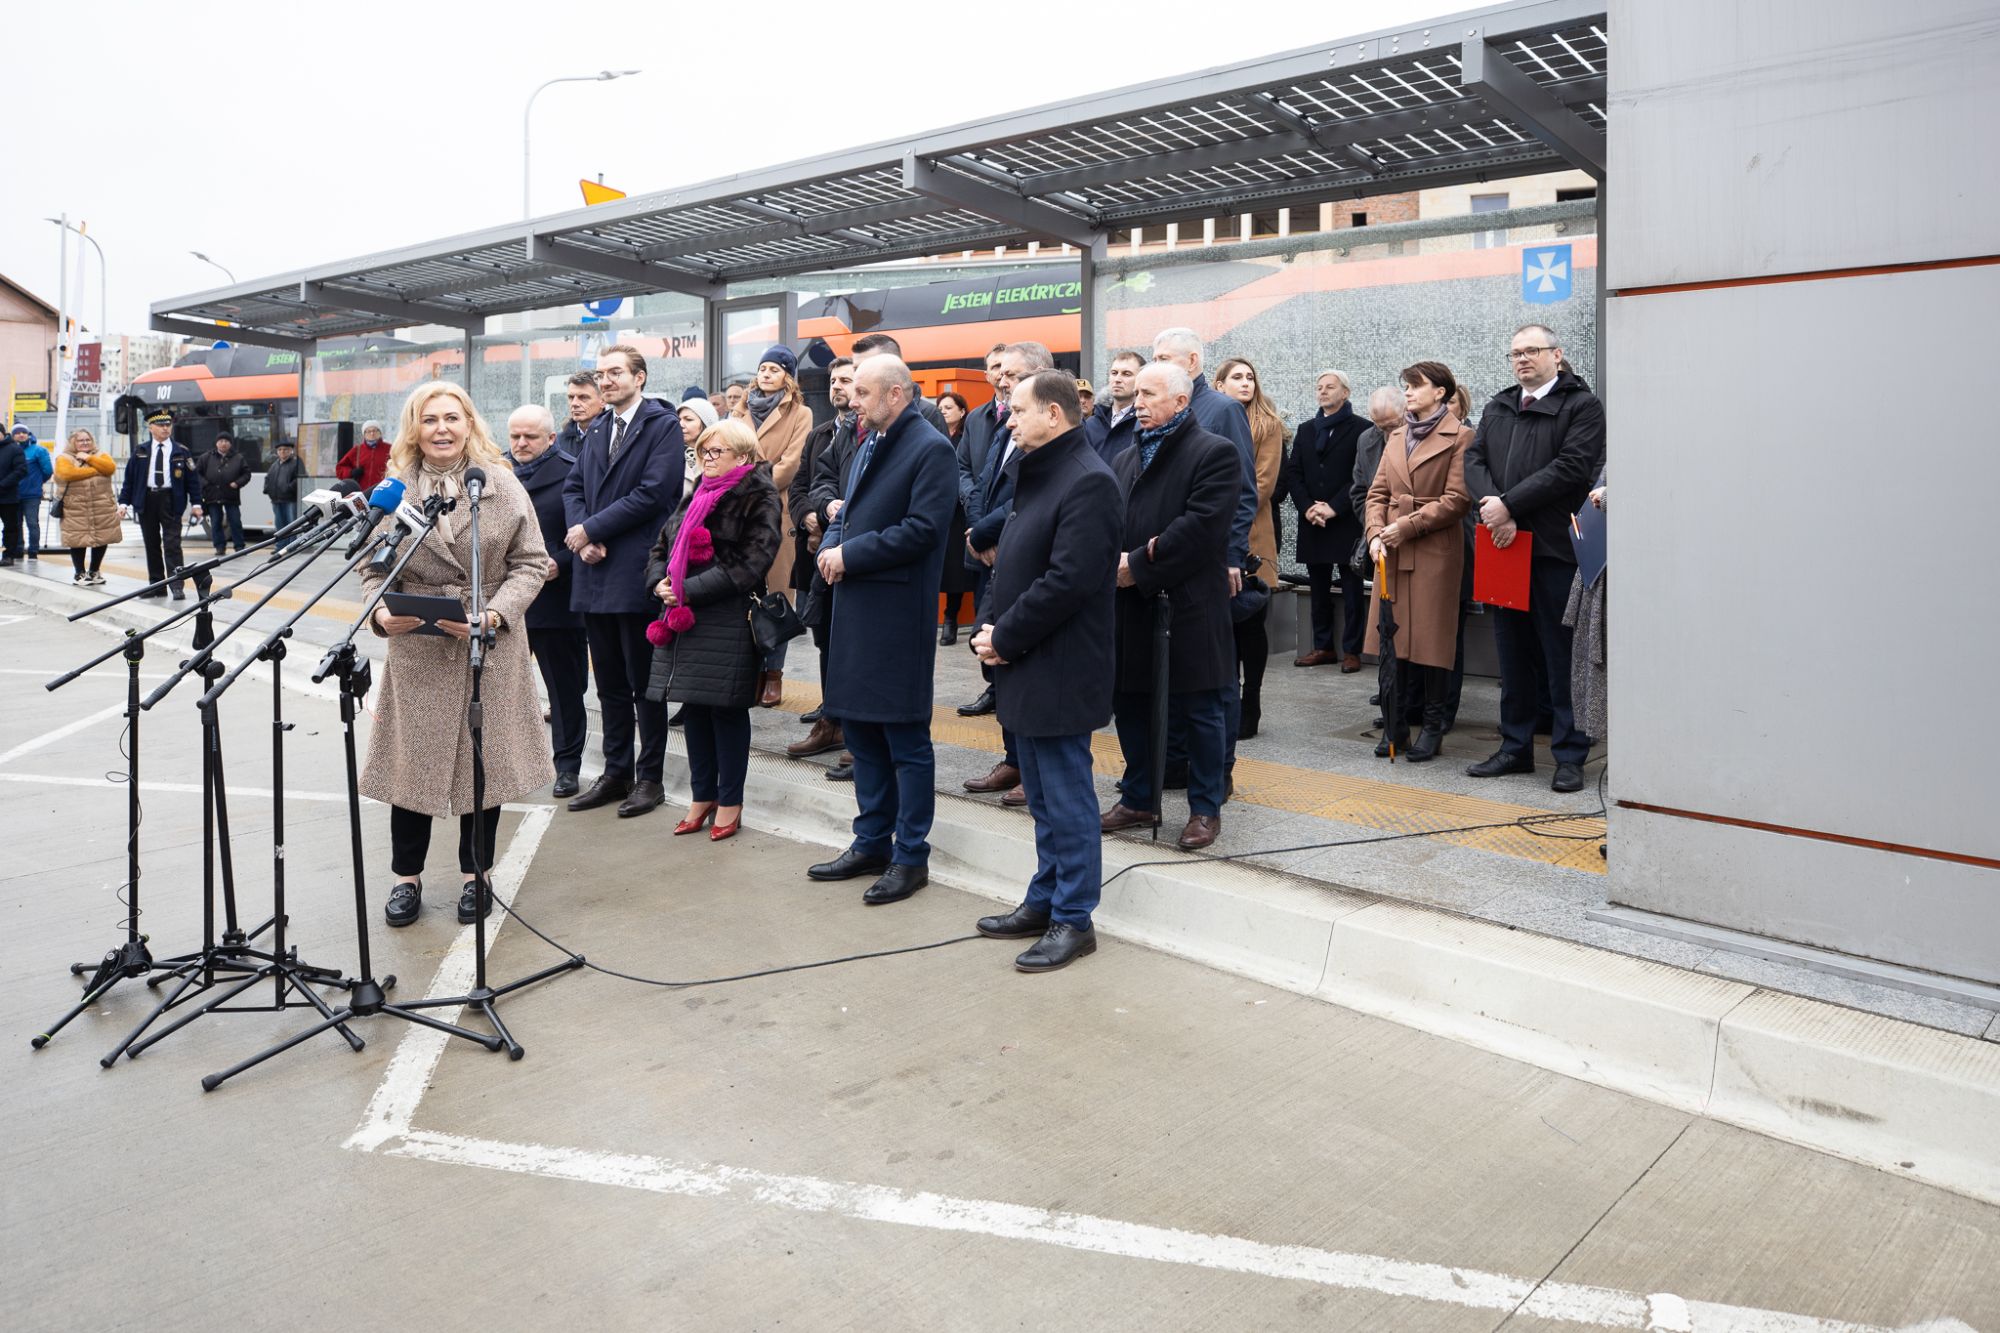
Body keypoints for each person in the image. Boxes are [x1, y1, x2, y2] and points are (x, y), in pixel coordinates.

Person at [361, 382, 554, 928]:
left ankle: (477, 875)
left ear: (470, 424)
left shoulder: (501, 484)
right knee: (411, 769)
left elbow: (531, 563)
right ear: (414, 428)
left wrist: (493, 614)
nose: (441, 429)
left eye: (452, 417)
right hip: (417, 647)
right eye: (430, 419)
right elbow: (372, 567)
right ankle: (406, 878)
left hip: (487, 647)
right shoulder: (394, 489)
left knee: (481, 767)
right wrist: (379, 615)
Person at [971, 369, 1121, 972]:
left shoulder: (1088, 481)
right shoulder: (1042, 472)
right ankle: (1045, 898)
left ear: (1053, 415)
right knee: (1041, 797)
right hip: (1027, 657)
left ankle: (1074, 917)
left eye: (1018, 409)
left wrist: (1005, 635)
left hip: (1058, 663)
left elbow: (1069, 581)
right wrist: (989, 627)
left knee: (1066, 797)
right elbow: (1010, 563)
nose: (1008, 418)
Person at [806, 355, 955, 905]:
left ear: (896, 394)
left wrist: (851, 554)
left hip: (895, 612)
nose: (853, 400)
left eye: (864, 392)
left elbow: (922, 530)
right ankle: (871, 841)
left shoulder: (930, 448)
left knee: (904, 738)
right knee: (863, 733)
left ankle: (910, 856)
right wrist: (830, 547)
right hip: (856, 605)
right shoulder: (867, 440)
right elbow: (846, 512)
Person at [1099, 363, 1238, 850]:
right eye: (1136, 393)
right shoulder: (1123, 456)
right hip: (1130, 605)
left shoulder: (1214, 453)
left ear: (1181, 402)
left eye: (1150, 394)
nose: (1138, 401)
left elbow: (1200, 527)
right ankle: (1139, 797)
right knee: (1131, 701)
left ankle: (1205, 808)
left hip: (1189, 604)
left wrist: (1136, 563)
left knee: (1199, 708)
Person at [1462, 324, 1605, 793]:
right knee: (1513, 654)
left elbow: (1571, 469)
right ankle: (1515, 747)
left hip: (1553, 550)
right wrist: (1492, 507)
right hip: (1503, 546)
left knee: (1560, 654)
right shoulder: (1498, 406)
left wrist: (1509, 506)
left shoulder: (1580, 406)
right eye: (1515, 353)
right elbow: (1474, 463)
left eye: (1532, 351)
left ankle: (1569, 754)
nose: (1522, 359)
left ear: (1557, 355)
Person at [561, 343, 686, 818]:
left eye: (615, 372)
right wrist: (581, 536)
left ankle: (649, 776)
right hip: (594, 572)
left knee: (644, 682)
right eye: (601, 373)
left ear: (640, 377)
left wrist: (592, 529)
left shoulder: (662, 426)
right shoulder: (596, 430)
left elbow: (655, 494)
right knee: (609, 683)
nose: (606, 380)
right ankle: (616, 772)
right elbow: (575, 488)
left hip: (635, 568)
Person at [643, 419, 782, 841]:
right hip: (684, 615)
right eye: (703, 451)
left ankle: (730, 801)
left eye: (715, 451)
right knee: (695, 711)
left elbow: (752, 563)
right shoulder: (697, 492)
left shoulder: (760, 494)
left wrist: (686, 590)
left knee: (725, 710)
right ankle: (701, 797)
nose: (706, 457)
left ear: (742, 455)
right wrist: (659, 583)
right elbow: (660, 546)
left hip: (726, 615)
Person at [1364, 361, 1473, 763]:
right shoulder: (1396, 437)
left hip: (1432, 550)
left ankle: (1432, 726)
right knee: (1393, 637)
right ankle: (1395, 725)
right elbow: (1375, 493)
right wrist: (1375, 533)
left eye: (1416, 386)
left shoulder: (1461, 437)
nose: (1408, 393)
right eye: (1405, 386)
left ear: (1440, 392)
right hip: (1390, 551)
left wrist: (1405, 527)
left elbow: (1457, 500)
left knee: (1433, 641)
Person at [961, 340, 1055, 801]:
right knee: (993, 654)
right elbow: (982, 483)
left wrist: (988, 533)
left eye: (1012, 374)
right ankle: (1014, 758)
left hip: (1016, 553)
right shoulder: (1003, 425)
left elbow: (1024, 494)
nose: (1001, 380)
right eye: (999, 373)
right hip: (991, 551)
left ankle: (1026, 765)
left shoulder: (1047, 437)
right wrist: (979, 530)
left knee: (1018, 656)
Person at [507, 404, 590, 800]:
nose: (521, 444)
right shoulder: (495, 472)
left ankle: (568, 767)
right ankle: (506, 763)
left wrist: (559, 562)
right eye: (515, 436)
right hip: (505, 600)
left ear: (551, 438)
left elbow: (589, 529)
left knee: (564, 690)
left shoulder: (574, 470)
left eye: (531, 437)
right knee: (501, 687)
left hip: (557, 600)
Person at [791, 357, 860, 770]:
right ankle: (830, 720)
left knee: (851, 644)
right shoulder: (820, 435)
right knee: (823, 639)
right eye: (833, 380)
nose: (838, 386)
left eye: (847, 380)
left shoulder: (870, 435)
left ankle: (853, 728)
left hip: (852, 552)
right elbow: (802, 487)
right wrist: (812, 512)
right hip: (818, 550)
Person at [1212, 356, 1285, 740]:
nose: (1245, 383)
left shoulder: (1267, 424)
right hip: (1210, 536)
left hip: (1251, 533)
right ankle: (1225, 697)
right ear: (1218, 383)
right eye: (1236, 377)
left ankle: (1250, 700)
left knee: (1250, 621)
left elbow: (1261, 484)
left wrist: (1211, 511)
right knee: (1221, 626)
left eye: (1250, 377)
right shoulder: (1208, 418)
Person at [737, 344, 812, 707]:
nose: (766, 373)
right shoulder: (739, 409)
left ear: (788, 376)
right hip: (736, 514)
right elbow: (722, 454)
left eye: (775, 369)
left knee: (776, 596)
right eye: (763, 367)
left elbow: (791, 463)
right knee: (740, 593)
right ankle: (747, 673)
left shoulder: (801, 413)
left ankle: (774, 674)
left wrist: (749, 484)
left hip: (774, 512)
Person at [1287, 370, 1370, 671]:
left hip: (1344, 520)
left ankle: (1352, 650)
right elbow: (1294, 472)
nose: (1322, 391)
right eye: (1319, 387)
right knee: (1318, 587)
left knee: (1351, 590)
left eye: (1330, 387)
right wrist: (1308, 507)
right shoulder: (1306, 429)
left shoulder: (1362, 429)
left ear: (1345, 392)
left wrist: (1334, 507)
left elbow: (1361, 475)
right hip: (1313, 522)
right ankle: (1322, 647)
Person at [117, 411, 199, 599]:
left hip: (171, 500)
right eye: (161, 425)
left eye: (168, 424)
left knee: (172, 545)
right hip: (147, 500)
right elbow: (130, 480)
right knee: (151, 544)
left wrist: (196, 503)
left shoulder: (181, 451)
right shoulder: (140, 451)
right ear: (150, 428)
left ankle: (176, 584)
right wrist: (123, 503)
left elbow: (192, 481)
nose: (165, 428)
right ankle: (156, 586)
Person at [934, 391, 977, 647]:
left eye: (949, 407)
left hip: (960, 511)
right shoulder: (932, 435)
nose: (943, 411)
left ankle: (951, 619)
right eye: (940, 407)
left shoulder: (966, 437)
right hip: (937, 507)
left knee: (955, 569)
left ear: (962, 411)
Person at [54, 429, 120, 584]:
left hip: (101, 506)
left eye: (87, 440)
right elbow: (67, 474)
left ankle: (94, 571)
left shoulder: (100, 455)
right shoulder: (64, 458)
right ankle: (79, 574)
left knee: (102, 538)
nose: (85, 443)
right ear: (73, 442)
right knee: (78, 539)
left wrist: (89, 458)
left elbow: (109, 468)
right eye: (80, 440)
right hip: (75, 507)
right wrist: (95, 471)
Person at [1083, 349, 1143, 464]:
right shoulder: (1091, 424)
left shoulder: (1144, 423)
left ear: (1140, 379)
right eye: (1114, 373)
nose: (1117, 379)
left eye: (1126, 374)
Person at [197, 432, 249, 554]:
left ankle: (239, 546)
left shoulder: (238, 458)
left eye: (226, 441)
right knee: (215, 522)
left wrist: (237, 483)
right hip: (212, 495)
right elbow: (196, 473)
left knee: (235, 521)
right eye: (221, 441)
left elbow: (246, 474)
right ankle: (219, 547)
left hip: (231, 495)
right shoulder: (206, 457)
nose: (223, 443)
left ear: (230, 444)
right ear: (216, 443)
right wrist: (205, 484)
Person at [15, 425, 52, 560]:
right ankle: (18, 549)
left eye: (24, 432)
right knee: (15, 523)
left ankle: (33, 550)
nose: (21, 435)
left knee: (32, 523)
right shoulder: (11, 450)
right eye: (17, 433)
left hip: (32, 494)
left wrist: (37, 482)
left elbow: (48, 470)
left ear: (29, 434)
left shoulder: (39, 450)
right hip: (13, 494)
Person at [263, 440, 303, 550]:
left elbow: (300, 479)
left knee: (292, 524)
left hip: (290, 499)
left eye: (285, 449)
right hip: (276, 499)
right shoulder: (275, 464)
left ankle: (292, 546)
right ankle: (280, 547)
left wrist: (288, 488)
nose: (282, 452)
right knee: (280, 525)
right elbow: (268, 478)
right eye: (280, 450)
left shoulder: (296, 463)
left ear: (291, 450)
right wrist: (267, 490)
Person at [335, 420, 391, 493]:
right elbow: (340, 469)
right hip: (361, 493)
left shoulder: (390, 449)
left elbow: (400, 467)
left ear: (380, 433)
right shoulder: (357, 450)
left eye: (375, 430)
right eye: (368, 431)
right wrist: (351, 472)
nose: (372, 433)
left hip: (383, 493)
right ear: (364, 434)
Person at [559, 371, 604, 455]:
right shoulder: (558, 442)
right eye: (571, 397)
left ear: (603, 400)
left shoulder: (614, 438)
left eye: (583, 397)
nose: (574, 403)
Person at [0, 427, 24, 567]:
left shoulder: (14, 449)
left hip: (7, 496)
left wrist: (2, 485)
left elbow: (20, 470)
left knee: (10, 527)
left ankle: (9, 555)